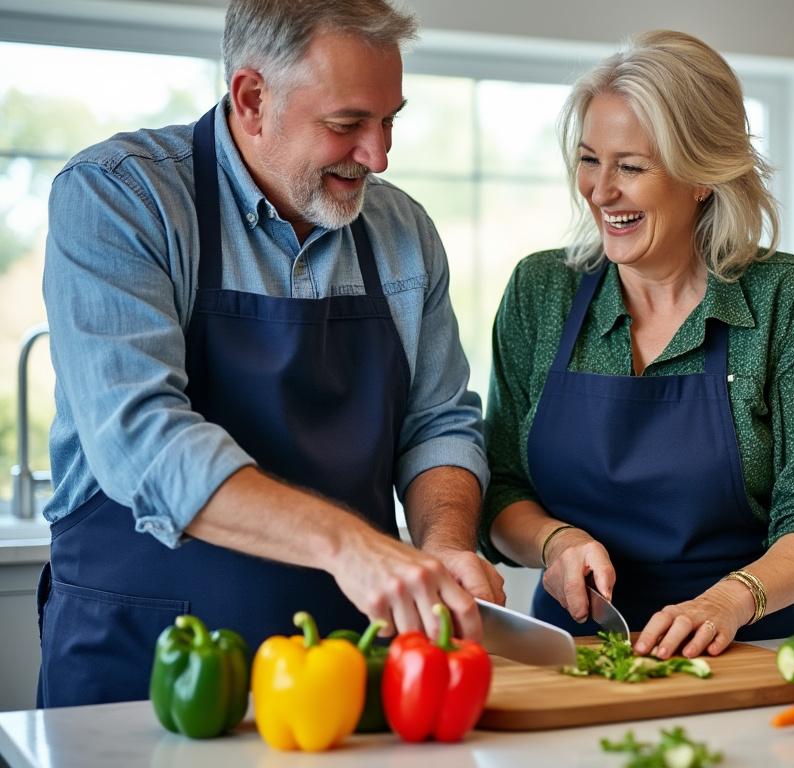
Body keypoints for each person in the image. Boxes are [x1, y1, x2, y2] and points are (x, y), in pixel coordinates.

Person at [37, 0, 502, 708]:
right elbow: (142, 440)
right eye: (347, 124)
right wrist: (352, 548)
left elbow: (439, 423)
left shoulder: (403, 231)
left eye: (390, 121)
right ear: (252, 99)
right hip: (147, 665)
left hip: (343, 669)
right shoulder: (121, 198)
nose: (378, 156)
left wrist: (442, 541)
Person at [482, 30, 794, 659]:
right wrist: (555, 543)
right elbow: (501, 488)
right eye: (588, 159)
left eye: (630, 167)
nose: (599, 191)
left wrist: (728, 601)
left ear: (702, 178)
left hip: (750, 652)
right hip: (573, 653)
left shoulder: (783, 298)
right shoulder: (540, 291)